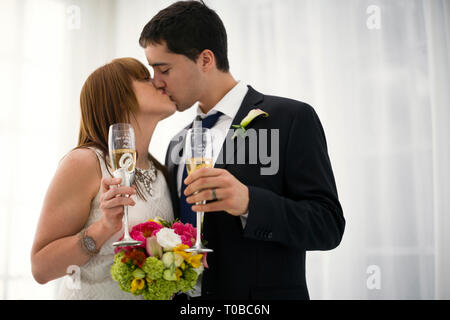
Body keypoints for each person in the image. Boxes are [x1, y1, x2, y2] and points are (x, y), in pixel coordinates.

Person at [136, 1, 346, 300]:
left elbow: (328, 226)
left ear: (205, 59)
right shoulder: (177, 143)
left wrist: (249, 202)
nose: (156, 81)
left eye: (164, 68)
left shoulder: (291, 118)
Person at [30, 58, 176, 299]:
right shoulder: (86, 162)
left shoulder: (161, 171)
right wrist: (103, 228)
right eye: (143, 78)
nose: (158, 81)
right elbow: (41, 269)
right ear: (118, 98)